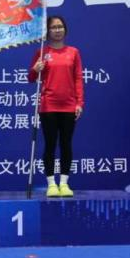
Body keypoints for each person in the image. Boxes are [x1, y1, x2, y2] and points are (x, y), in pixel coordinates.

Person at [29, 15, 83, 198]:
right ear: (48, 31)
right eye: (53, 27)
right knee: (50, 144)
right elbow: (31, 78)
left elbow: (78, 78)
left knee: (66, 144)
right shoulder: (42, 52)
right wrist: (35, 69)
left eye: (60, 27)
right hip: (48, 106)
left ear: (65, 30)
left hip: (69, 106)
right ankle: (51, 184)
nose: (57, 30)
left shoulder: (73, 52)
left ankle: (64, 183)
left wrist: (79, 103)